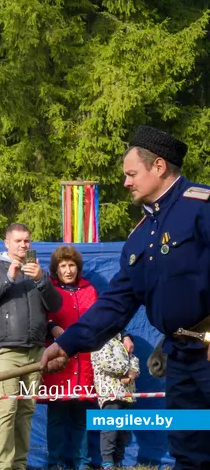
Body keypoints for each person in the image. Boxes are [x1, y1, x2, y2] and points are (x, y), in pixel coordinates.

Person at [42, 126, 210, 469]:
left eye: (132, 174)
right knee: (190, 450)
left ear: (159, 167)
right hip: (181, 359)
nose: (126, 183)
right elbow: (117, 302)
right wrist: (67, 344)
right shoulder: (140, 237)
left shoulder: (201, 207)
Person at [0, 223, 61, 470]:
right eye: (19, 241)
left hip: (35, 351)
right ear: (6, 243)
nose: (24, 245)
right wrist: (8, 278)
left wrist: (42, 280)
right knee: (7, 407)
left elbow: (54, 305)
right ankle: (2, 466)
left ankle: (19, 465)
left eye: (27, 241)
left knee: (25, 410)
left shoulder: (37, 273)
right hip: (7, 351)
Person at [43, 246, 98, 470]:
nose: (68, 270)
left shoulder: (89, 290)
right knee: (56, 417)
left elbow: (101, 320)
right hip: (58, 363)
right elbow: (40, 317)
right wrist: (52, 327)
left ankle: (82, 463)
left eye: (72, 265)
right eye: (63, 266)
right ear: (56, 269)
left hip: (84, 363)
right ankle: (55, 463)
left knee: (81, 419)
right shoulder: (49, 290)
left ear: (78, 267)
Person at [91, 332, 139, 470]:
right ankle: (107, 462)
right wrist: (127, 371)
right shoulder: (100, 341)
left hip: (127, 395)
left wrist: (132, 374)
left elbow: (135, 360)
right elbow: (106, 363)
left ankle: (118, 462)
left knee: (124, 432)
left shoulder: (123, 342)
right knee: (110, 430)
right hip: (110, 395)